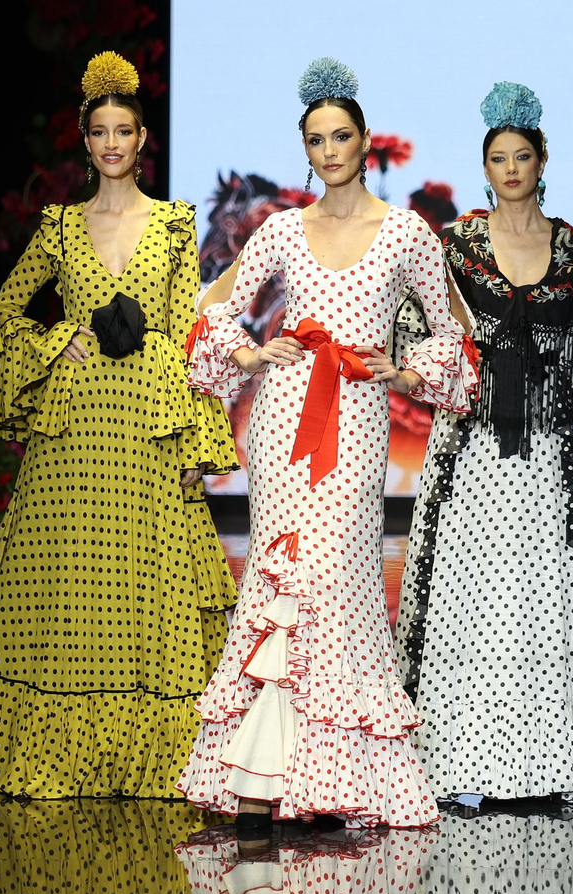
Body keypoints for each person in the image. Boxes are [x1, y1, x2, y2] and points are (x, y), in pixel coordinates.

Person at [0, 52, 238, 800]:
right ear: (86, 144)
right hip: (75, 430)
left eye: (125, 130)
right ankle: (58, 758)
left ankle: (151, 760)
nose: (113, 143)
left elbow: (189, 329)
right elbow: (5, 309)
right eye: (100, 132)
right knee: (64, 587)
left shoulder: (176, 223)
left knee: (144, 584)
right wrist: (63, 339)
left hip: (146, 428)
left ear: (143, 137)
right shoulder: (59, 229)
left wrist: (196, 437)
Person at [176, 57, 477, 833]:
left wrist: (405, 371)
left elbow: (458, 333)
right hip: (283, 420)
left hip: (357, 417)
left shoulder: (406, 232)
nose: (330, 149)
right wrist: (248, 355)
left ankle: (327, 776)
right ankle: (259, 778)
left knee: (339, 583)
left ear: (366, 139)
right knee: (280, 578)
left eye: (341, 135)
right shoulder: (281, 228)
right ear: (304, 149)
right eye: (316, 139)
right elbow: (213, 306)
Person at [393, 82, 573, 807]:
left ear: (542, 161)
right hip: (469, 449)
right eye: (498, 158)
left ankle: (545, 768)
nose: (511, 168)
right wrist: (442, 368)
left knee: (545, 599)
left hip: (544, 449)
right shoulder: (455, 247)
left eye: (521, 156)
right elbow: (417, 338)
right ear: (486, 169)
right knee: (466, 597)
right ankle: (450, 766)